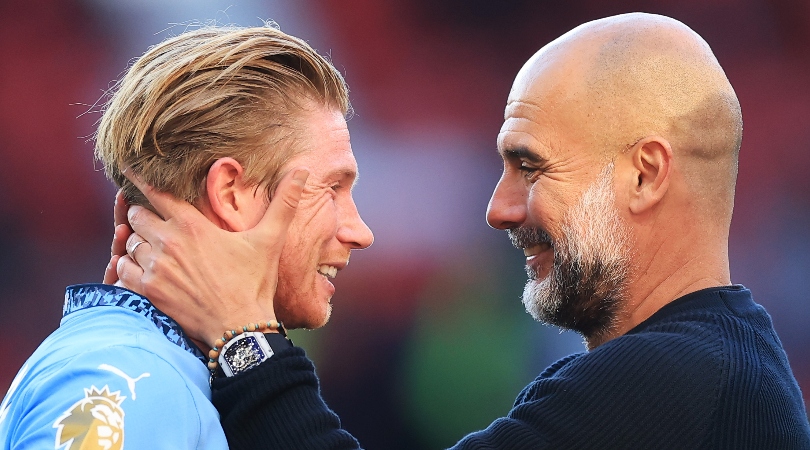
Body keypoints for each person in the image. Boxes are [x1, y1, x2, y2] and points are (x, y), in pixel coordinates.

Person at [112, 13, 810, 450]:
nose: (499, 208)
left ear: (644, 175)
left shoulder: (677, 380)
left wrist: (243, 341)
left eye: (529, 167)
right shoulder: (708, 368)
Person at [0, 25, 371, 449]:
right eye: (332, 189)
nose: (360, 232)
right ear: (230, 194)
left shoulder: (170, 378)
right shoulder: (131, 380)